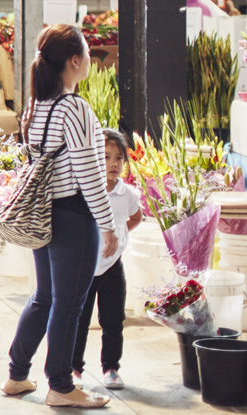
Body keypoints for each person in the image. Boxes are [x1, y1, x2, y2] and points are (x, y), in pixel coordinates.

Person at [3, 24, 117, 408]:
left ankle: (17, 375)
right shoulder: (75, 108)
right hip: (73, 217)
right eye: (86, 53)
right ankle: (61, 386)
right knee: (69, 303)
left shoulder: (36, 106)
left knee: (45, 297)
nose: (89, 59)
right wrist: (108, 224)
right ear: (74, 61)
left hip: (43, 213)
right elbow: (90, 176)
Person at [71, 129, 143, 391]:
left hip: (113, 268)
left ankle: (111, 369)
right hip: (86, 267)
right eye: (106, 157)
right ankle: (74, 369)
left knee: (113, 321)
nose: (113, 163)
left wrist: (121, 237)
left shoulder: (128, 195)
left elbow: (136, 218)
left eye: (119, 158)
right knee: (79, 321)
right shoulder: (85, 191)